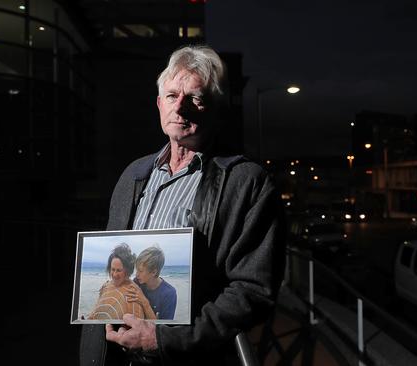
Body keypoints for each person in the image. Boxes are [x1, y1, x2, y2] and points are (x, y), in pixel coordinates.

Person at [79, 45, 286, 365]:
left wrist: (163, 339)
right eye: (173, 95)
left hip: (189, 357)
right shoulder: (133, 175)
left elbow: (253, 291)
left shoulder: (247, 182)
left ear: (215, 109)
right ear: (159, 103)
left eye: (196, 98)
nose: (181, 108)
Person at [88, 243, 156, 321]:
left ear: (127, 271)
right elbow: (95, 310)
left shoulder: (133, 291)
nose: (114, 274)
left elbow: (138, 323)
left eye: (119, 270)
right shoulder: (106, 286)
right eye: (113, 269)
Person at [127, 245, 177, 320]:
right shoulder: (137, 282)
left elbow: (163, 328)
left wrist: (145, 302)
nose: (137, 274)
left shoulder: (169, 294)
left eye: (140, 271)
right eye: (137, 270)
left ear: (153, 272)